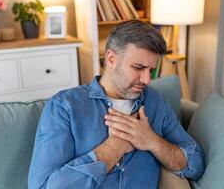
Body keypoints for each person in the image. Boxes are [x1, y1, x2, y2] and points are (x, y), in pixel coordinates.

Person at [28, 20, 204, 189]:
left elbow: (196, 163)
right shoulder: (65, 107)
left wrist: (152, 141)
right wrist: (112, 149)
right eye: (138, 67)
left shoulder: (155, 102)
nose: (147, 79)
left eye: (151, 70)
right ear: (111, 59)